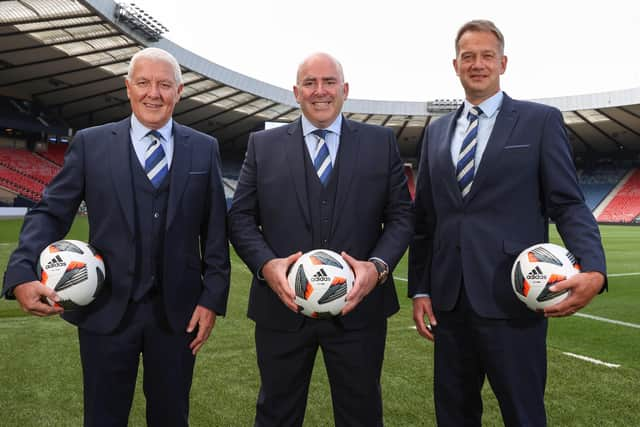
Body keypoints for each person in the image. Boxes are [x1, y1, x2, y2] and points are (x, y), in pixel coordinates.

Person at [2, 47, 230, 426]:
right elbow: (51, 212)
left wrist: (212, 298)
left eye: (163, 84)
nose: (152, 93)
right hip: (103, 311)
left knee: (173, 417)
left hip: (179, 317)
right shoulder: (91, 144)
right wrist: (23, 272)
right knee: (103, 419)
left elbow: (216, 234)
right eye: (143, 83)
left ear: (179, 91)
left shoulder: (204, 149)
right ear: (127, 87)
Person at [408, 20, 607, 426]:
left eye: (486, 56)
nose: (477, 64)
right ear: (455, 64)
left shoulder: (539, 122)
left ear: (503, 62)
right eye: (468, 56)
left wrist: (596, 269)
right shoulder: (437, 131)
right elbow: (425, 219)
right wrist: (420, 288)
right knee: (454, 415)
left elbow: (568, 204)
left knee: (524, 415)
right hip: (450, 302)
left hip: (513, 299)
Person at [228, 52, 412, 427]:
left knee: (361, 414)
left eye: (329, 82)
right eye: (310, 83)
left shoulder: (380, 143)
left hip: (359, 310)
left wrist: (376, 269)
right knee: (276, 413)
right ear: (296, 92)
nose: (320, 91)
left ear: (345, 90)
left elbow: (401, 216)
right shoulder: (263, 146)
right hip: (282, 308)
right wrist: (267, 265)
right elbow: (241, 217)